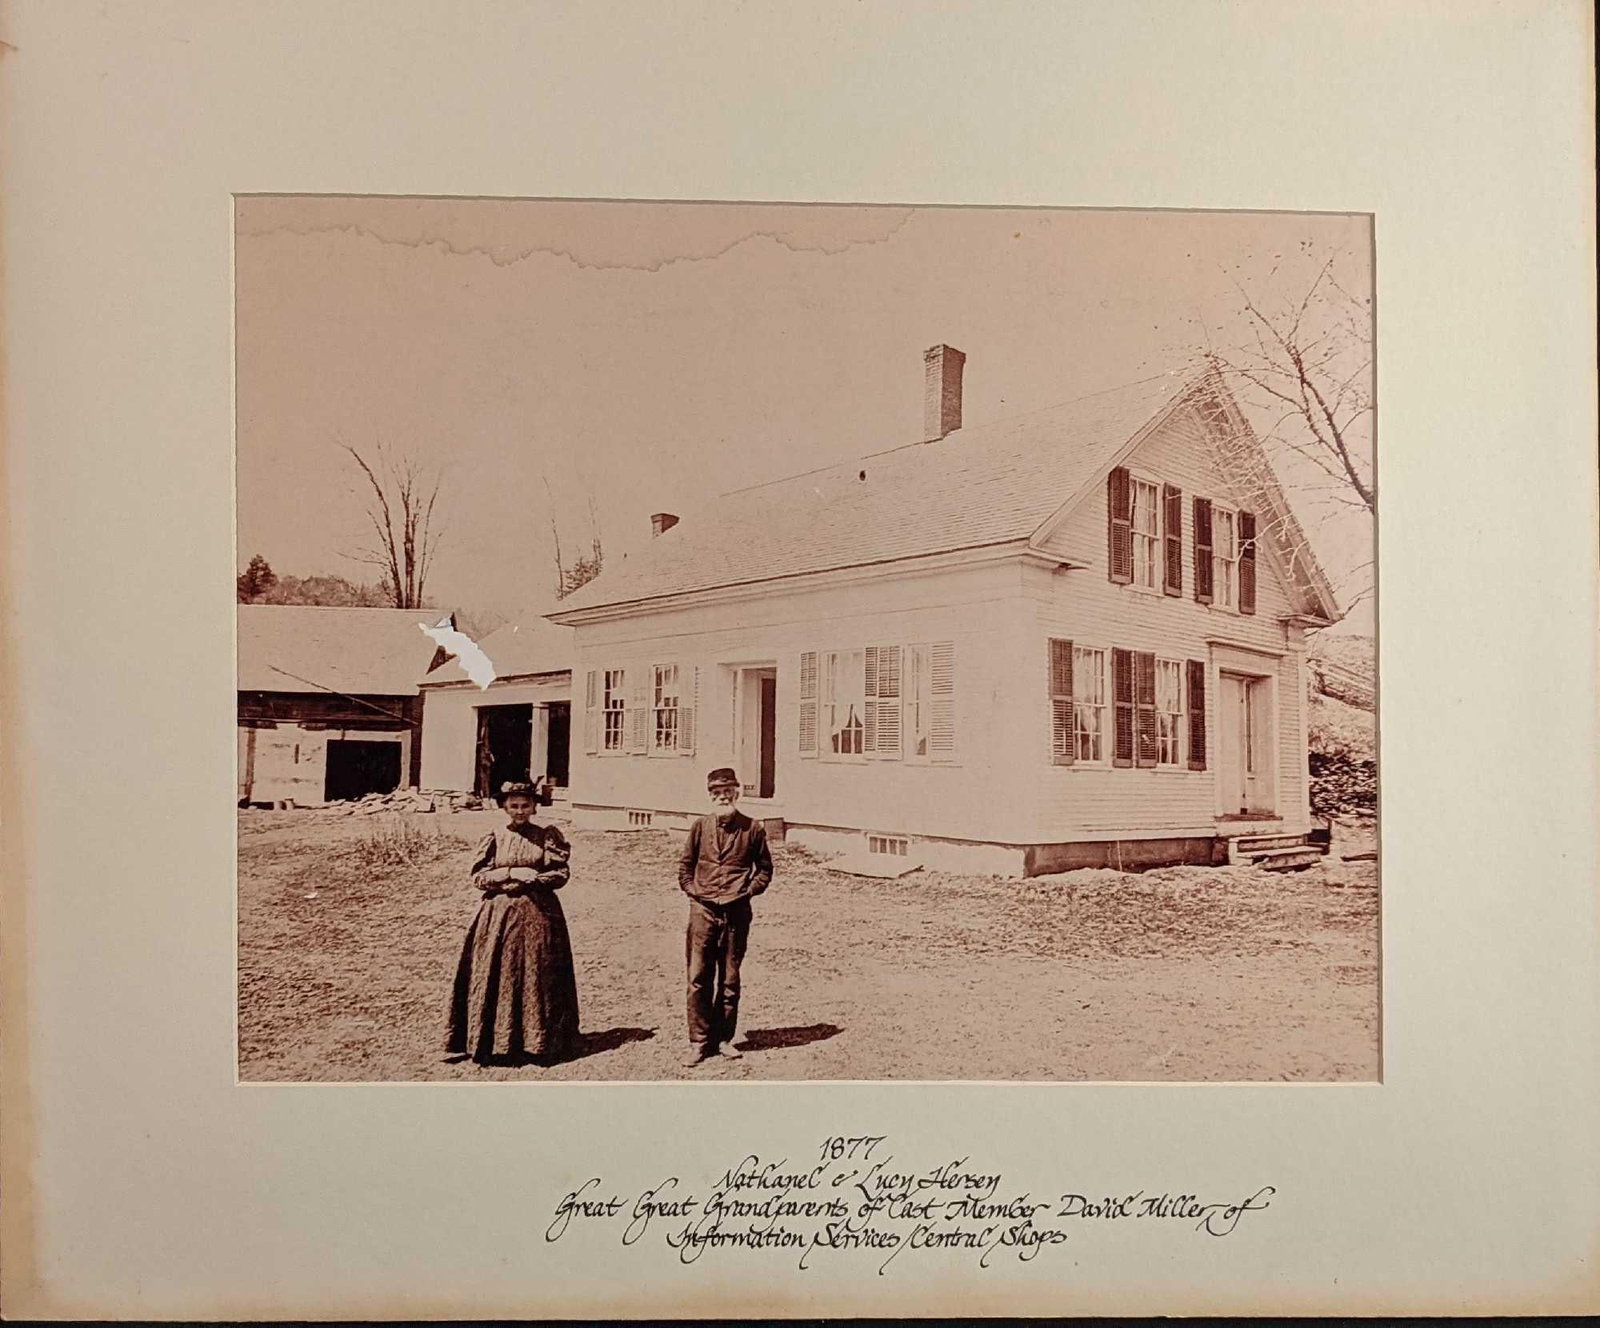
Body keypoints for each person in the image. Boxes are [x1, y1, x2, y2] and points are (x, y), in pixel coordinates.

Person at [445, 780, 579, 1065]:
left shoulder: (547, 835)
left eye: (525, 806)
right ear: (504, 806)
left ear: (534, 807)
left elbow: (561, 873)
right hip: (498, 917)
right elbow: (478, 876)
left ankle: (539, 1042)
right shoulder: (494, 836)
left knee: (536, 975)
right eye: (514, 806)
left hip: (538, 914)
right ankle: (496, 1042)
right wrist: (509, 872)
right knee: (497, 974)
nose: (520, 811)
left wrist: (535, 877)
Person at [678, 767, 774, 1067]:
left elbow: (765, 869)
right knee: (698, 978)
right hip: (703, 911)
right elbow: (685, 867)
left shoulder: (753, 828)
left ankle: (723, 1039)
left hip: (736, 912)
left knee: (730, 979)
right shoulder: (699, 827)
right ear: (710, 796)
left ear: (737, 793)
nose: (723, 796)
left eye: (728, 791)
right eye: (717, 793)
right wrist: (695, 892)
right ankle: (699, 1041)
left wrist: (747, 892)